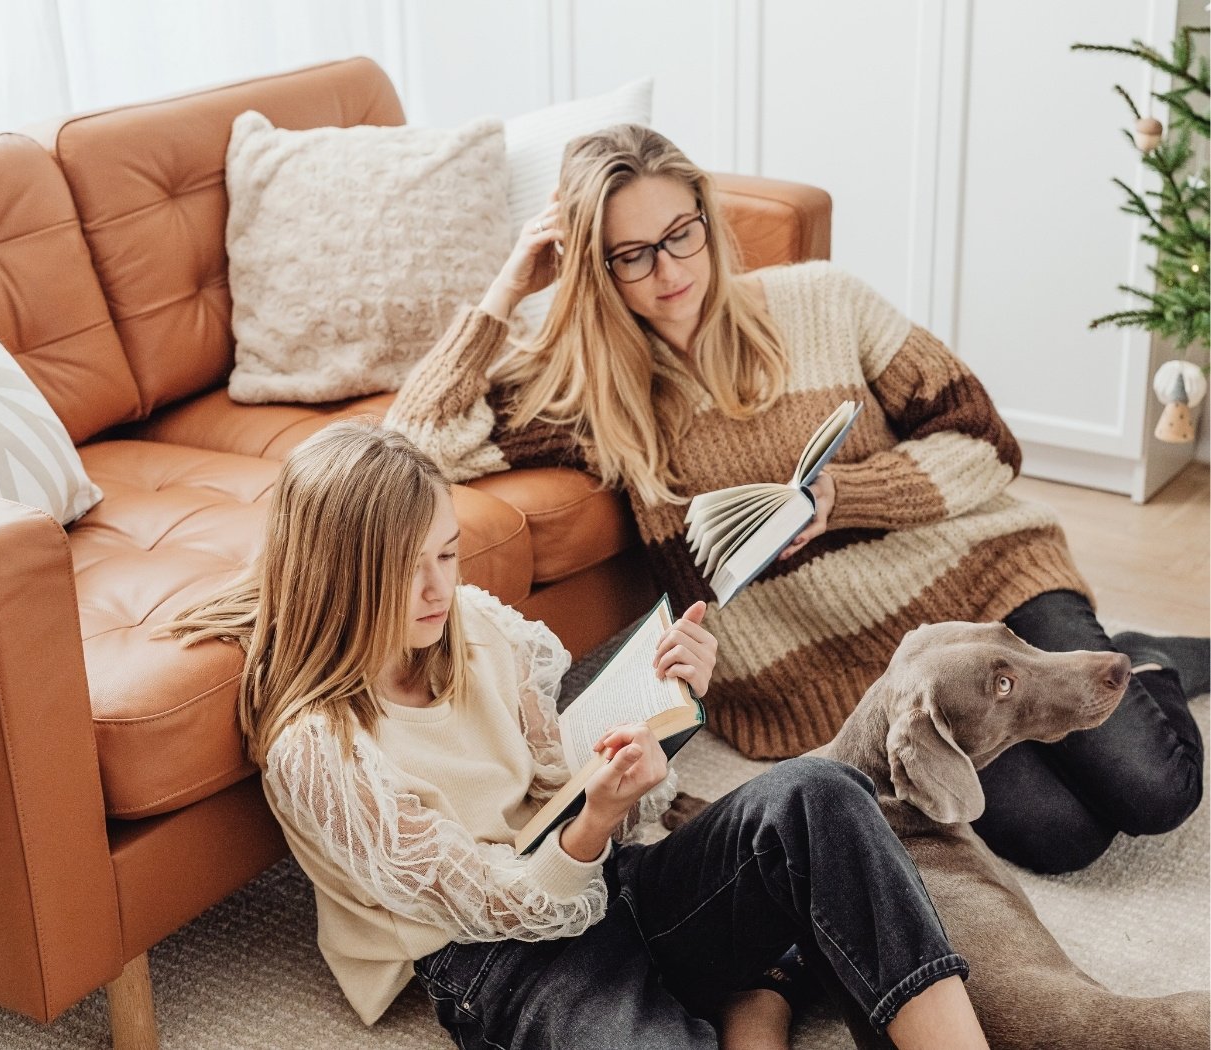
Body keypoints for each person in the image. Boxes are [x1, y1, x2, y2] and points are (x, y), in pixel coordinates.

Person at [384, 122, 1206, 881]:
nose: (668, 271)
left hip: (981, 586)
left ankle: (1141, 661)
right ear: (592, 268)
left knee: (1152, 787)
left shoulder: (823, 299)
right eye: (629, 255)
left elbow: (984, 440)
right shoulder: (590, 398)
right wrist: (507, 285)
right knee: (1060, 836)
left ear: (705, 217)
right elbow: (416, 437)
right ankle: (1105, 656)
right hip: (845, 664)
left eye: (679, 235)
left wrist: (844, 495)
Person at [164, 420, 990, 1050]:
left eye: (446, 555)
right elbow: (491, 900)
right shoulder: (317, 748)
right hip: (494, 956)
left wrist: (663, 712)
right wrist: (591, 823)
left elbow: (571, 788)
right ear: (339, 575)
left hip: (607, 882)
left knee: (820, 795)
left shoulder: (472, 625)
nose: (435, 589)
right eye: (404, 569)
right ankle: (755, 987)